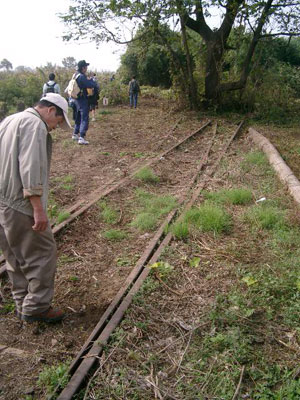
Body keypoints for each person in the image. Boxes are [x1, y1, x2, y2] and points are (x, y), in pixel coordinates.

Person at [0, 93, 72, 323]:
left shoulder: (11, 119)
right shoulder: (35, 125)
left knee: (14, 254)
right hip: (20, 203)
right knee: (43, 253)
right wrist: (37, 208)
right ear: (51, 111)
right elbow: (30, 166)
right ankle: (37, 307)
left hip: (2, 200)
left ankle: (22, 302)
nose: (54, 128)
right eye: (58, 122)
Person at [72, 60, 98, 145]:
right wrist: (92, 81)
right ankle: (82, 137)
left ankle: (75, 134)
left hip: (76, 99)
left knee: (78, 117)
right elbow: (90, 85)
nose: (86, 68)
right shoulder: (82, 76)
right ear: (83, 68)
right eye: (86, 67)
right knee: (84, 118)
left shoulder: (75, 75)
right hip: (82, 100)